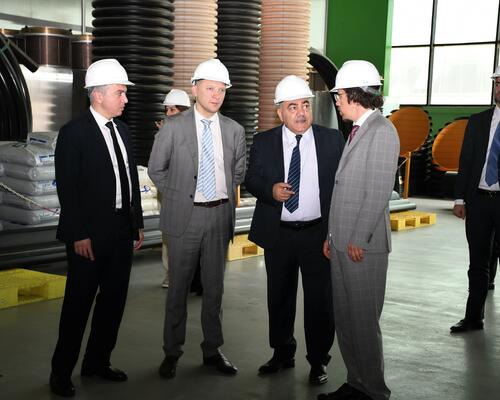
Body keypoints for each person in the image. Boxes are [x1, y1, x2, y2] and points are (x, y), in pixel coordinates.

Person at [50, 58, 144, 397]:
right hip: (88, 235)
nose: (126, 99)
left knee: (113, 302)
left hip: (121, 231)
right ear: (98, 94)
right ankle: (61, 373)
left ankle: (97, 361)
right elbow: (68, 188)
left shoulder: (123, 130)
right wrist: (78, 233)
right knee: (78, 305)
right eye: (120, 92)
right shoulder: (73, 133)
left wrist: (136, 223)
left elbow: (131, 180)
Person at [148, 58, 246, 378]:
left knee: (214, 290)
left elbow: (238, 172)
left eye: (221, 90)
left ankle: (212, 350)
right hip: (184, 218)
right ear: (194, 89)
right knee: (178, 289)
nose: (216, 95)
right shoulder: (173, 127)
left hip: (218, 216)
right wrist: (179, 195)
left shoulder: (234, 130)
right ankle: (171, 351)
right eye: (210, 88)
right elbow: (156, 169)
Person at [245, 75, 343, 385]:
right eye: (292, 107)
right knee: (279, 297)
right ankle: (282, 352)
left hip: (318, 235)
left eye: (305, 105)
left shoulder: (332, 140)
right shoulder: (264, 141)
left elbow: (341, 188)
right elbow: (251, 179)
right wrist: (270, 191)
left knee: (320, 301)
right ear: (280, 112)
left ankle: (318, 360)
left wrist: (335, 233)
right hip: (280, 234)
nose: (301, 112)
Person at [319, 60, 399, 400]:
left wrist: (357, 238)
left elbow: (377, 192)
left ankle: (375, 392)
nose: (336, 101)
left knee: (363, 323)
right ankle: (356, 383)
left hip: (362, 246)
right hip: (343, 242)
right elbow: (345, 189)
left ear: (354, 95)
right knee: (346, 320)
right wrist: (332, 236)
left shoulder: (382, 131)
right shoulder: (357, 130)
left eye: (339, 95)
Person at [450, 65, 500, 333]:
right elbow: (466, 161)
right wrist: (460, 198)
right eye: (498, 83)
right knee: (477, 263)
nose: (499, 88)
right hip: (479, 201)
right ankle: (473, 317)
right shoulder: (478, 121)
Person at [154, 89, 192, 288]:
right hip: (168, 193)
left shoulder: (196, 133)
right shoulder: (163, 134)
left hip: (190, 195)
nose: (168, 114)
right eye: (167, 110)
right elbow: (157, 168)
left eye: (173, 110)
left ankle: (190, 277)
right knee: (169, 236)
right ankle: (171, 273)